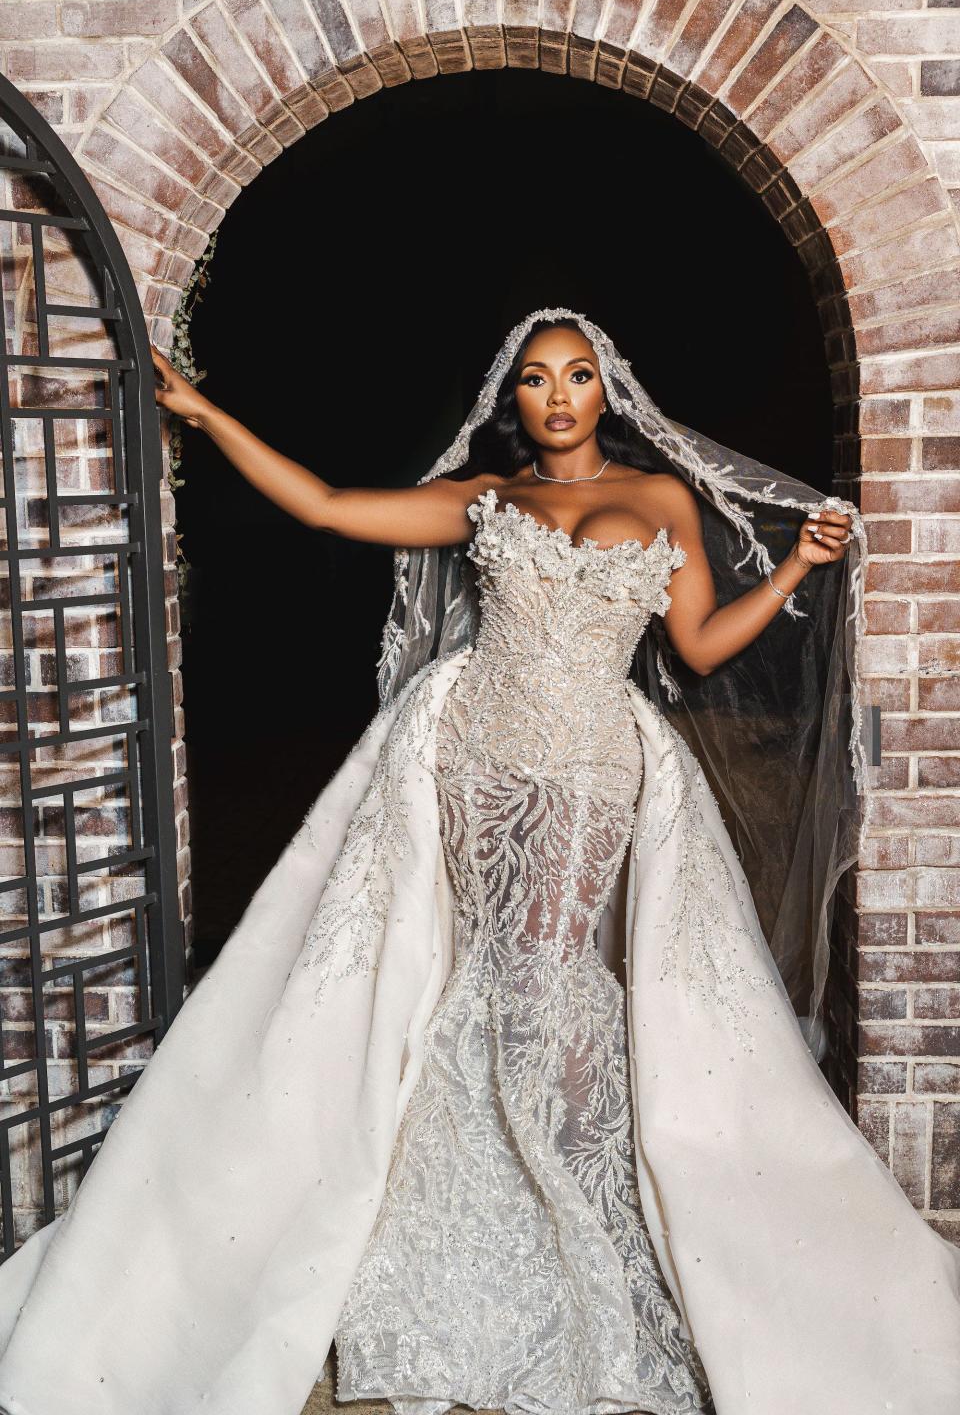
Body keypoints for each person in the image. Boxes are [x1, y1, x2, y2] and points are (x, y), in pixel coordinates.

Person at [0, 309, 956, 1415]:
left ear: (610, 391)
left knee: (552, 974)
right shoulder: (489, 500)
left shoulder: (660, 501)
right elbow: (329, 505)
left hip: (595, 762)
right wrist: (207, 413)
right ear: (517, 400)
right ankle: (470, 1214)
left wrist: (794, 560)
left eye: (581, 376)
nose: (559, 396)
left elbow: (693, 648)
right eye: (540, 379)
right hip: (476, 760)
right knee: (491, 973)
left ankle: (573, 1207)